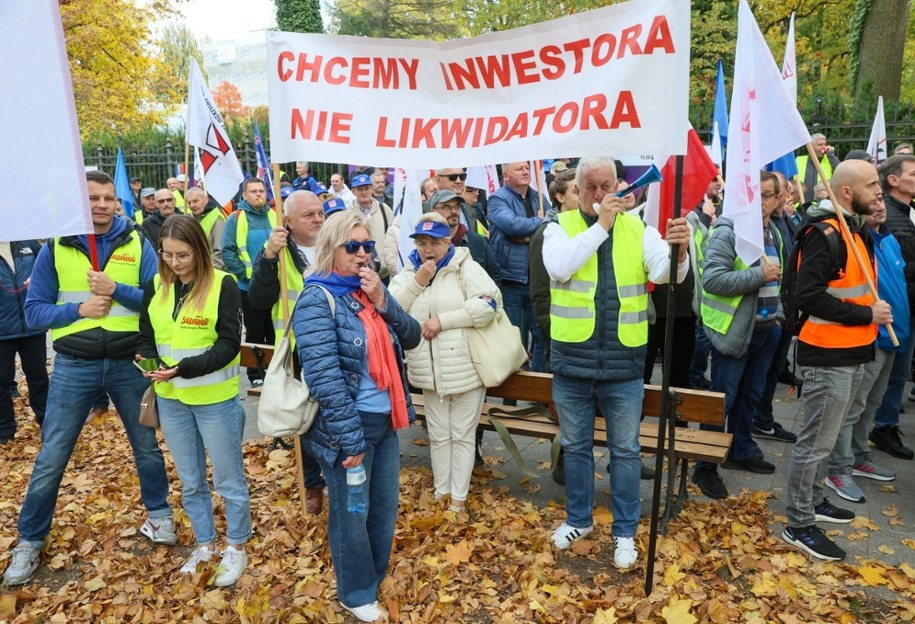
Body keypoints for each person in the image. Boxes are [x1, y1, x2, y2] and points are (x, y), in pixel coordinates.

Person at [3, 171, 174, 586]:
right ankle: (29, 540)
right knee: (52, 456)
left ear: (118, 202)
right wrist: (78, 312)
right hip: (73, 366)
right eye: (92, 198)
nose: (101, 205)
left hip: (127, 362)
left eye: (108, 198)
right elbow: (36, 311)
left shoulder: (136, 241)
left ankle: (160, 516)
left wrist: (117, 289)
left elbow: (158, 299)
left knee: (147, 446)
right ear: (80, 202)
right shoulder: (56, 248)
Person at [542, 157, 690, 569]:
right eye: (589, 187)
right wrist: (600, 227)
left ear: (620, 185)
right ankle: (579, 520)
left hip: (624, 365)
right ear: (576, 189)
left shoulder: (639, 228)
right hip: (573, 363)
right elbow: (560, 266)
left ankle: (625, 531)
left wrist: (681, 252)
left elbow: (665, 274)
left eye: (607, 185)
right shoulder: (559, 226)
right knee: (575, 449)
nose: (599, 194)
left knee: (625, 452)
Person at [292, 211, 420, 622]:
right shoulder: (317, 298)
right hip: (349, 427)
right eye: (353, 246)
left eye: (368, 246)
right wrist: (349, 440)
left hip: (385, 420)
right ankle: (355, 591)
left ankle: (373, 576)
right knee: (352, 513)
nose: (363, 254)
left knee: (383, 507)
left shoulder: (369, 291)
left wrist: (384, 302)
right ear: (331, 249)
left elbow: (412, 336)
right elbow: (324, 375)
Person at [782, 160, 891, 561]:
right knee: (814, 442)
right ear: (846, 191)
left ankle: (812, 501)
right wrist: (867, 316)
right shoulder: (824, 234)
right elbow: (806, 296)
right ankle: (798, 523)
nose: (879, 191)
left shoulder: (854, 230)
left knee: (825, 440)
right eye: (872, 184)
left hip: (851, 351)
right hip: (828, 354)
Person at [137, 214, 249, 586]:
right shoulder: (156, 285)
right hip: (170, 399)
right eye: (167, 255)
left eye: (182, 255)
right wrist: (145, 360)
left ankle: (235, 547)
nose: (174, 263)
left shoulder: (223, 284)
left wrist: (183, 368)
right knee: (191, 480)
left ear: (199, 250)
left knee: (228, 479)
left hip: (215, 399)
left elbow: (229, 345)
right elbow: (146, 336)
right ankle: (205, 543)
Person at [390, 213, 501, 512]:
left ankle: (458, 501)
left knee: (462, 435)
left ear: (448, 241)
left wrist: (444, 321)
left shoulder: (464, 266)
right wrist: (417, 281)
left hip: (466, 368)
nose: (429, 249)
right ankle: (442, 494)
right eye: (423, 242)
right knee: (438, 435)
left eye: (436, 242)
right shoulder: (409, 271)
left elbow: (488, 304)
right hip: (429, 373)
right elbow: (392, 310)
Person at [692, 171, 785, 501]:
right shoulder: (727, 231)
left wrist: (778, 317)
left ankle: (740, 449)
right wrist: (758, 275)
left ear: (779, 199)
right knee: (723, 400)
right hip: (732, 331)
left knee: (751, 395)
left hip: (764, 331)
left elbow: (779, 281)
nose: (763, 202)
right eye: (756, 194)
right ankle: (705, 464)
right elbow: (713, 280)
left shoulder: (772, 232)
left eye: (770, 195)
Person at [248, 190, 327, 514]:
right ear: (288, 221)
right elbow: (258, 300)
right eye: (309, 215)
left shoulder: (334, 244)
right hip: (298, 346)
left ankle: (340, 475)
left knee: (335, 414)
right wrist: (268, 257)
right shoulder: (278, 253)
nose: (318, 219)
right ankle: (311, 483)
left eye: (320, 212)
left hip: (334, 343)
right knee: (303, 417)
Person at [824, 195, 905, 503]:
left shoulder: (889, 240)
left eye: (883, 199)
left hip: (894, 335)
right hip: (870, 337)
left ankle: (858, 456)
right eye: (875, 197)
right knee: (851, 409)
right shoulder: (859, 242)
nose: (880, 204)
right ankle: (838, 469)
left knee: (870, 406)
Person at [869, 154, 915, 460]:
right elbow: (897, 267)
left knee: (897, 373)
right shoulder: (890, 216)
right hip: (898, 307)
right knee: (891, 373)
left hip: (907, 307)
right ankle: (881, 426)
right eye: (913, 173)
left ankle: (883, 424)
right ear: (893, 180)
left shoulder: (907, 211)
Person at [488, 161, 549, 371]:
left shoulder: (538, 196)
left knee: (542, 334)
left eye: (526, 168)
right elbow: (512, 225)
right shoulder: (497, 199)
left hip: (537, 278)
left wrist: (529, 235)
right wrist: (538, 224)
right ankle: (511, 395)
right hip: (511, 279)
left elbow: (553, 223)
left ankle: (538, 386)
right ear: (506, 176)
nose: (525, 172)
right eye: (519, 169)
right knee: (513, 340)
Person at [222, 177, 277, 386]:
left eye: (261, 191)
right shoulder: (235, 219)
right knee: (255, 331)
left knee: (274, 329)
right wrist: (246, 274)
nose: (258, 195)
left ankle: (275, 371)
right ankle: (256, 374)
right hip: (248, 287)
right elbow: (228, 252)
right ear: (244, 195)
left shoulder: (274, 215)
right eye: (253, 191)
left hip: (273, 285)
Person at [0, 239, 48, 442]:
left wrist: (38, 282)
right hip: (2, 333)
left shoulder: (28, 244)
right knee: (1, 384)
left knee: (39, 379)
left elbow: (47, 271)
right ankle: (5, 432)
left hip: (32, 327)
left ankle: (48, 424)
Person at [347, 173, 394, 280]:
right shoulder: (347, 213)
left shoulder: (384, 209)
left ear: (372, 189)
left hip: (384, 273)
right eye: (360, 189)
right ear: (353, 191)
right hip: (358, 274)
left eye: (367, 188)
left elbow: (393, 237)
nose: (364, 192)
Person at [185, 187, 226, 270]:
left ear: (206, 200)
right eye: (189, 203)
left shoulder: (216, 217)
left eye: (195, 201)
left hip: (210, 271)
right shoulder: (189, 218)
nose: (192, 205)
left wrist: (209, 272)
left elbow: (220, 252)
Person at [796, 133, 840, 201]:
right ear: (810, 146)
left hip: (822, 205)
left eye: (824, 144)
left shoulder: (830, 159)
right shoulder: (799, 160)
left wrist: (831, 155)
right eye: (820, 145)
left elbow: (840, 171)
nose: (823, 147)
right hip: (801, 205)